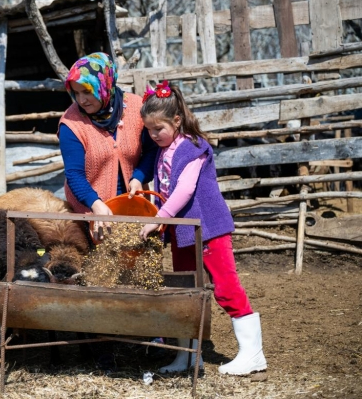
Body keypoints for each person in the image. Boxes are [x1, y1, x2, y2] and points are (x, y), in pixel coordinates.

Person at [135, 80, 267, 376]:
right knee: (184, 288)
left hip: (208, 228)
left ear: (177, 121)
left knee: (225, 285)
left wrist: (159, 218)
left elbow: (184, 190)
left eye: (159, 129)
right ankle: (187, 356)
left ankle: (253, 353)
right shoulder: (164, 149)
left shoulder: (194, 147)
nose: (153, 135)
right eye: (149, 130)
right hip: (183, 230)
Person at [58, 52, 158, 240]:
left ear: (105, 85)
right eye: (76, 93)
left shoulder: (136, 108)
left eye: (87, 91)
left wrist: (138, 177)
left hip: (133, 205)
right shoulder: (71, 124)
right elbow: (73, 174)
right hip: (89, 208)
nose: (81, 100)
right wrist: (95, 204)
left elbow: (152, 151)